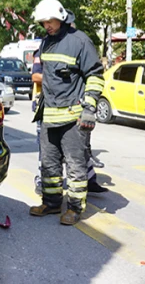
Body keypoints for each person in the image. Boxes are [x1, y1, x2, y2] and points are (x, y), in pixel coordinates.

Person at [28, 0, 105, 225]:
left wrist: (89, 108)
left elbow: (95, 75)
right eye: (43, 22)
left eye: (49, 21)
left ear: (60, 17)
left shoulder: (80, 41)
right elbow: (44, 77)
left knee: (75, 165)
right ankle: (51, 203)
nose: (46, 25)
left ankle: (74, 208)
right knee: (49, 164)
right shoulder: (46, 43)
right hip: (49, 114)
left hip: (73, 116)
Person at [32, 50, 108, 196]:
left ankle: (89, 179)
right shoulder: (43, 51)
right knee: (47, 150)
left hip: (74, 107)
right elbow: (35, 76)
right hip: (48, 109)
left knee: (81, 146)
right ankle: (41, 181)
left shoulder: (77, 49)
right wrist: (61, 80)